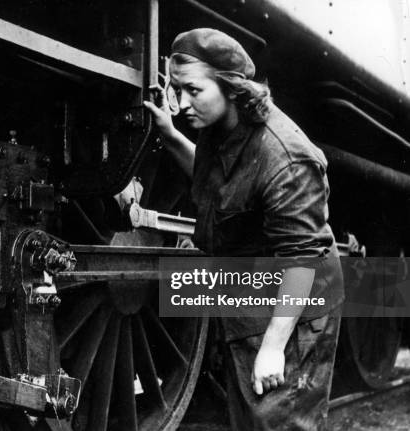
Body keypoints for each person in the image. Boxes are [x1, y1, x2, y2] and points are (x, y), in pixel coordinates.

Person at [144, 28, 345, 430]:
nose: (181, 104)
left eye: (193, 91)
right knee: (248, 418)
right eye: (177, 89)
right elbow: (221, 186)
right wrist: (170, 136)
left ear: (232, 87)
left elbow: (300, 260)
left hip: (296, 304)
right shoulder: (222, 129)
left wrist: (273, 345)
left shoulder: (286, 158)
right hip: (252, 290)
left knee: (278, 420)